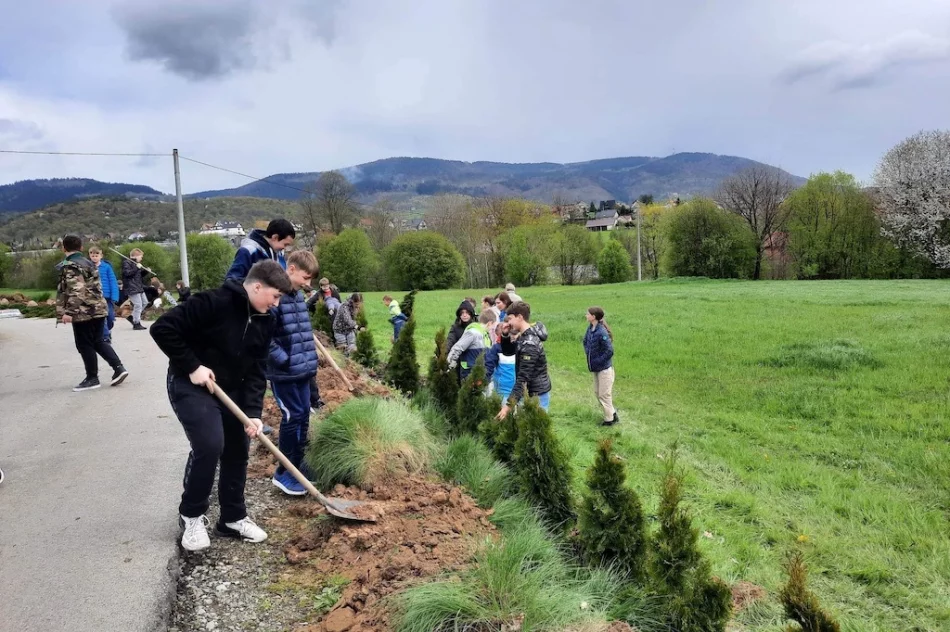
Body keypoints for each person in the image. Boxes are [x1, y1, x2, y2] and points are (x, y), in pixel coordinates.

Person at [150, 260, 292, 552]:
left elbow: (257, 368)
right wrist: (193, 366)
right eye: (275, 296)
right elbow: (162, 328)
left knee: (238, 447)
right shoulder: (212, 303)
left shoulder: (266, 319)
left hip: (234, 390)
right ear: (256, 286)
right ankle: (191, 515)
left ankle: (232, 518)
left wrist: (252, 412)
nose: (276, 304)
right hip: (192, 384)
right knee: (210, 443)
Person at [267, 251, 320, 496]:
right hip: (285, 373)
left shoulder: (297, 296)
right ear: (291, 269)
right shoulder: (274, 296)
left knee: (303, 416)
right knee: (292, 417)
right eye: (305, 277)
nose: (308, 284)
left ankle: (298, 464)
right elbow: (263, 336)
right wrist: (284, 361)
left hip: (302, 371)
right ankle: (284, 473)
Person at [56, 235, 129, 392]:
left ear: (64, 248)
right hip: (99, 308)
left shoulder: (71, 265)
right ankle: (119, 368)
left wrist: (69, 312)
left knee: (84, 344)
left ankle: (92, 378)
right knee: (98, 341)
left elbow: (77, 290)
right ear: (81, 248)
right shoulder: (89, 263)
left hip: (84, 312)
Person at [496, 301, 550, 418]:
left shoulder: (529, 343)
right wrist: (505, 335)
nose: (508, 322)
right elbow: (509, 352)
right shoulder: (524, 336)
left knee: (536, 429)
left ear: (520, 317)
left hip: (536, 395)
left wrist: (508, 405)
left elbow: (523, 378)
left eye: (510, 318)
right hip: (528, 392)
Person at [225, 218, 295, 281]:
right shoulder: (248, 251)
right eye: (285, 244)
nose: (285, 248)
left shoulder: (279, 254)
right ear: (275, 237)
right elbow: (232, 280)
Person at [584, 307, 617, 426]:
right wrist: (588, 352)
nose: (586, 315)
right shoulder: (590, 329)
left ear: (593, 317)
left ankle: (609, 420)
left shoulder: (601, 332)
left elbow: (609, 351)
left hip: (605, 370)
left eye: (588, 314)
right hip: (596, 369)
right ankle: (613, 413)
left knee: (604, 394)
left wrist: (598, 361)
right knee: (597, 393)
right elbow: (585, 341)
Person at [447, 309, 493, 382]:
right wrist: (450, 364)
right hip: (469, 372)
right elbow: (458, 347)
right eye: (493, 326)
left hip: (480, 372)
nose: (492, 329)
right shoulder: (473, 333)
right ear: (490, 323)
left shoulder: (485, 335)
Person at [88, 246, 118, 344]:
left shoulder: (106, 267)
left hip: (107, 296)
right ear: (90, 256)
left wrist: (114, 296)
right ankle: (105, 336)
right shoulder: (88, 267)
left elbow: (113, 281)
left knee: (110, 317)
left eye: (96, 255)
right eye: (92, 255)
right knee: (101, 317)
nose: (94, 257)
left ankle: (108, 330)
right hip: (95, 297)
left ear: (101, 256)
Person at [121, 248, 151, 330]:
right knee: (138, 305)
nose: (141, 258)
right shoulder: (126, 263)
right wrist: (137, 268)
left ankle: (132, 317)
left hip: (138, 287)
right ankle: (136, 323)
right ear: (136, 256)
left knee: (145, 302)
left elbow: (139, 276)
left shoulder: (137, 264)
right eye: (141, 256)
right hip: (131, 287)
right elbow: (127, 274)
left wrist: (146, 271)